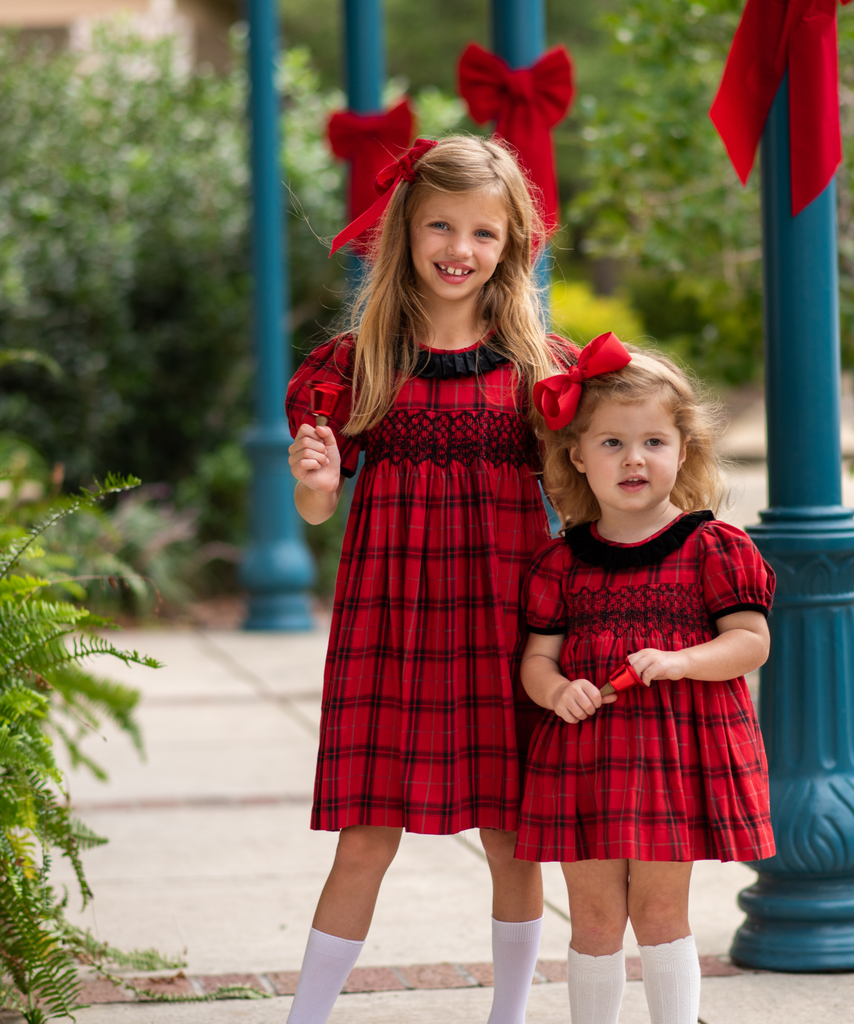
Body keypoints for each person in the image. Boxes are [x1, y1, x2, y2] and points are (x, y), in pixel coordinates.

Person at [284, 135, 572, 1024]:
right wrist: (317, 481)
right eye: (441, 225)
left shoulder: (539, 369)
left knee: (512, 836)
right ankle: (306, 1017)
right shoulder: (356, 367)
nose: (460, 248)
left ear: (513, 244)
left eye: (483, 233)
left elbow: (577, 492)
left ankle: (510, 1016)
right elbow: (318, 513)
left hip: (504, 623)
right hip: (390, 624)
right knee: (366, 837)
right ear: (406, 231)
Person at [515, 336, 776, 1024]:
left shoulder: (712, 547)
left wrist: (683, 660)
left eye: (654, 441)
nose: (634, 458)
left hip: (673, 758)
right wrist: (554, 690)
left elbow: (750, 643)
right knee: (596, 919)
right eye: (612, 444)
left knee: (661, 912)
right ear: (577, 455)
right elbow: (537, 660)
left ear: (682, 451)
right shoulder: (562, 562)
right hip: (587, 762)